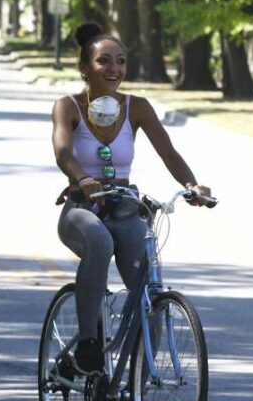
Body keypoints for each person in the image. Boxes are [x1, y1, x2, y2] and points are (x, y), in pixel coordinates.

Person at [51, 22, 212, 374]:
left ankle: (137, 385)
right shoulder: (68, 106)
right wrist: (83, 178)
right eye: (104, 61)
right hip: (82, 206)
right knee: (99, 240)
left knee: (148, 288)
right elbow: (63, 151)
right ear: (84, 68)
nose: (114, 70)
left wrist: (192, 185)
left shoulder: (136, 107)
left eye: (120, 62)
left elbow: (168, 152)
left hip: (125, 207)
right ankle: (89, 344)